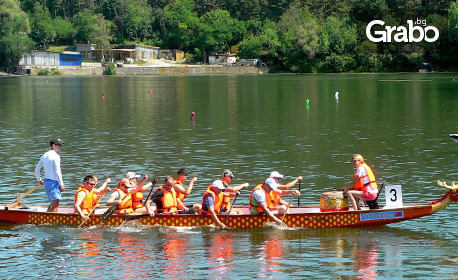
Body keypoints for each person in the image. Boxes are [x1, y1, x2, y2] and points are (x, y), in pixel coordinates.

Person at [35, 138, 65, 212]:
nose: (61, 147)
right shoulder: (56, 156)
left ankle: (47, 220)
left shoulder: (44, 155)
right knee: (56, 203)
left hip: (47, 182)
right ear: (54, 145)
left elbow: (37, 169)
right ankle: (53, 222)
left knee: (53, 202)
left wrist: (39, 180)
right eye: (59, 145)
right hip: (54, 182)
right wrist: (62, 184)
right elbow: (58, 171)